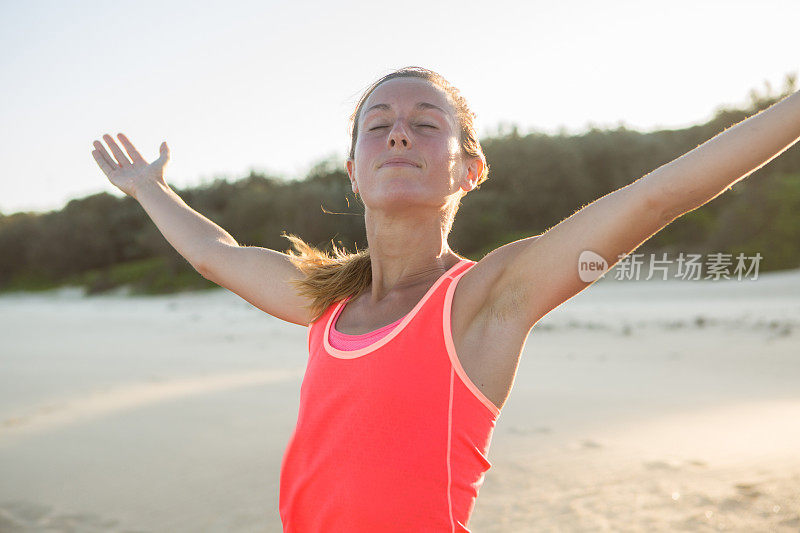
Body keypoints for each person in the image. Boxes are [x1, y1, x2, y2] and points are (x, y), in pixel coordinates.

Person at [91, 66, 800, 532]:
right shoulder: (325, 303)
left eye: (427, 122)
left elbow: (658, 195)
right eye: (378, 123)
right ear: (354, 168)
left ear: (470, 168)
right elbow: (215, 256)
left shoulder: (485, 298)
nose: (399, 129)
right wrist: (148, 187)